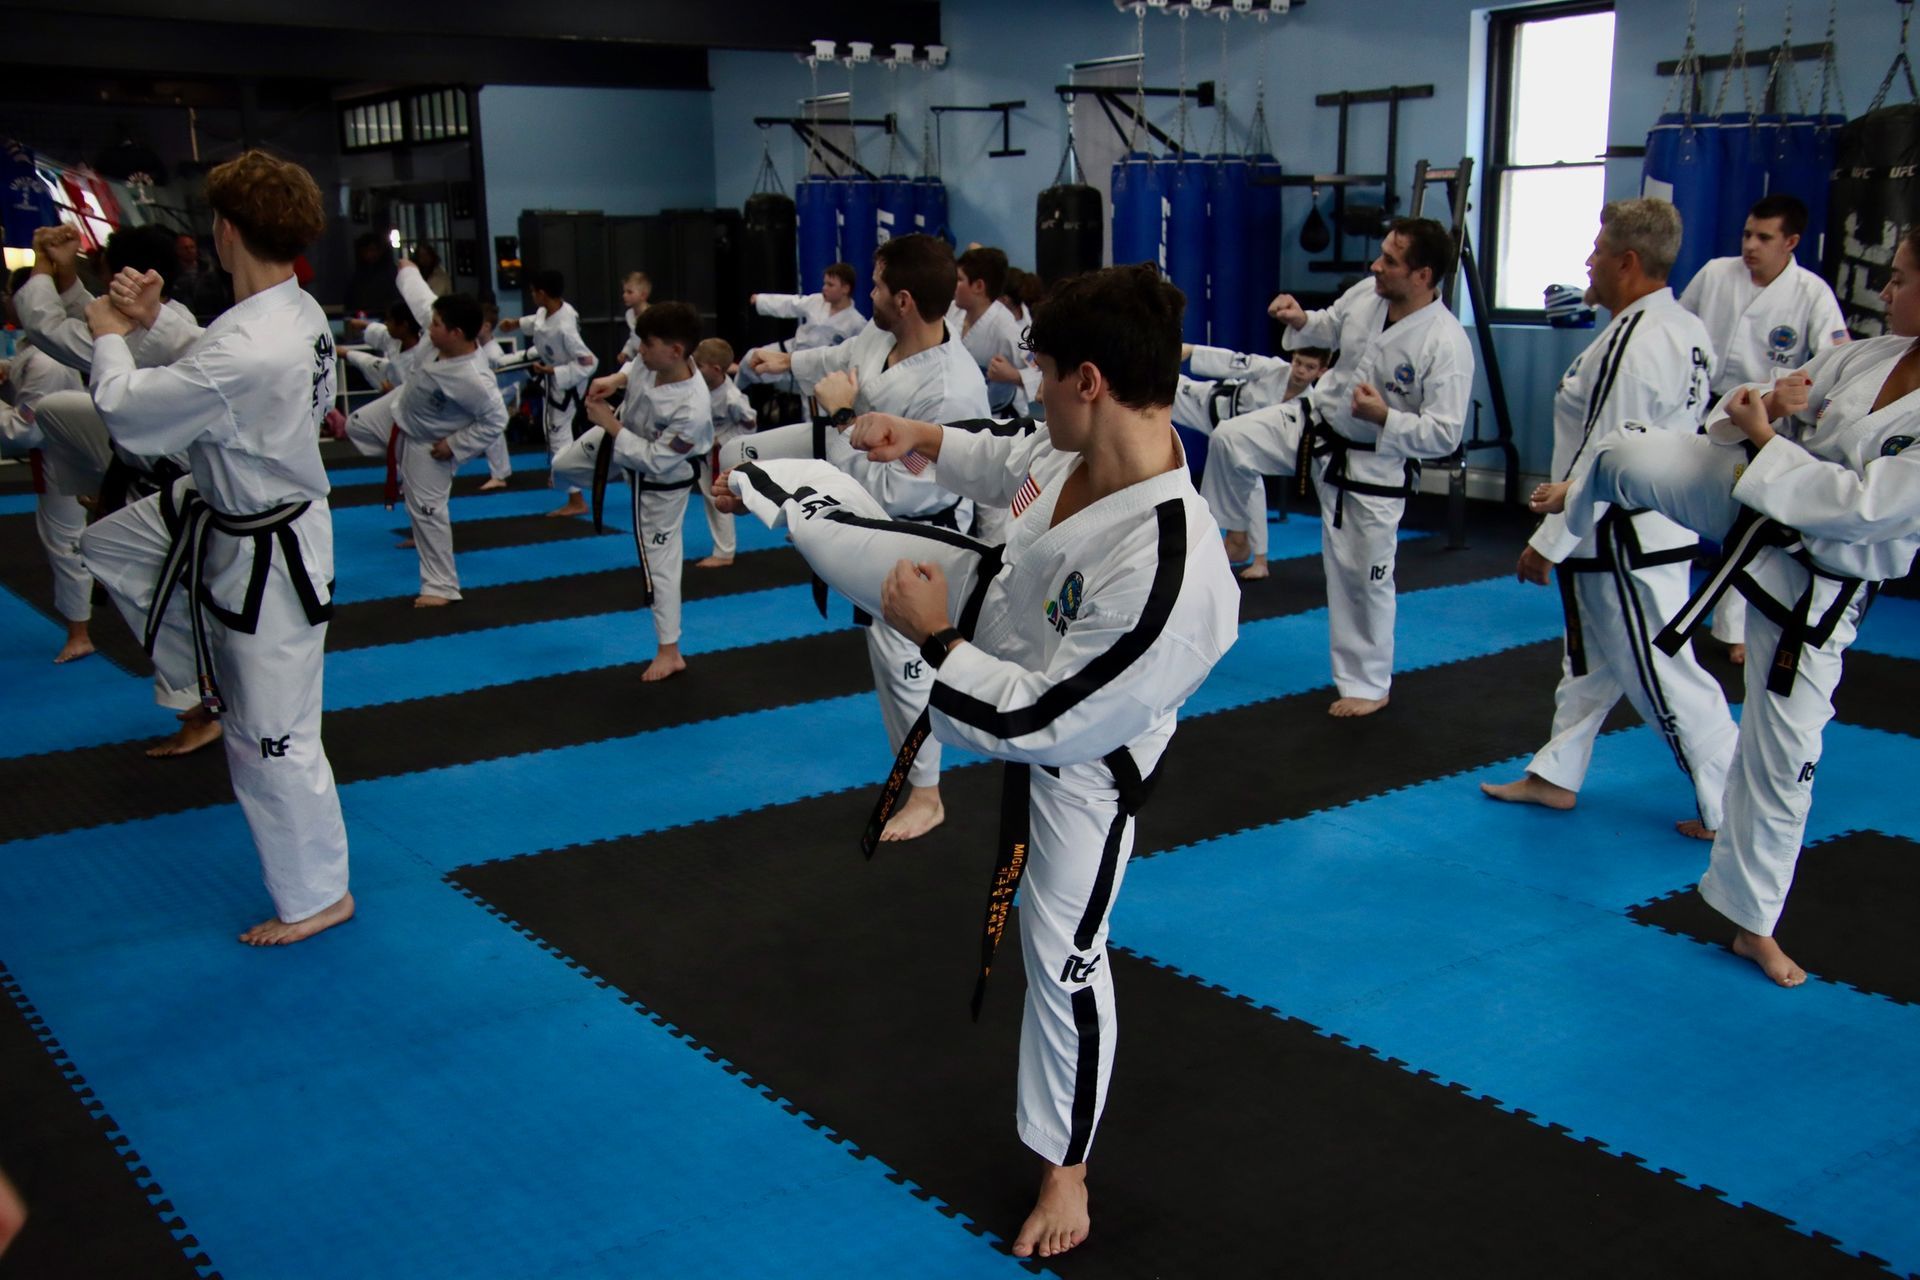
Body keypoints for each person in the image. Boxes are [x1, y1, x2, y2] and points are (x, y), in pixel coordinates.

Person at [713, 262, 1239, 1262]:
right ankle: (759, 482)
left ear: (1089, 377)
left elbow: (1049, 719)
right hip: (999, 608)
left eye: (1040, 370)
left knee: (1064, 947)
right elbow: (1013, 464)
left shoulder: (1172, 575)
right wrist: (917, 439)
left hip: (1084, 749)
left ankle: (1066, 1163)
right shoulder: (1080, 439)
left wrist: (936, 642)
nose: (1027, 384)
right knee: (839, 539)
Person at [1528, 225, 1920, 987]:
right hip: (1755, 502)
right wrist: (1766, 401)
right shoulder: (1870, 354)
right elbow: (1728, 419)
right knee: (1625, 453)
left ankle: (1752, 925)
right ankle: (1573, 504)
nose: (1885, 290)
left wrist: (1769, 435)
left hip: (1818, 585)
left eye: (1900, 277)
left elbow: (1866, 506)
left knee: (1784, 761)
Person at [82, 148, 352, 946]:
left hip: (271, 552)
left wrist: (107, 336)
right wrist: (153, 318)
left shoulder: (257, 344)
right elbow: (212, 363)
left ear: (224, 229)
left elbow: (132, 414)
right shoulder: (293, 311)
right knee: (120, 546)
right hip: (250, 523)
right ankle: (186, 676)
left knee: (276, 737)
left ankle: (316, 896)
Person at [1482, 198, 1739, 840]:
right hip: (1652, 524)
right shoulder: (1686, 328)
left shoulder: (1635, 337)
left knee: (1662, 676)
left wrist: (1549, 542)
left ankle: (1735, 810)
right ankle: (1556, 775)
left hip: (1619, 531)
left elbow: (1605, 451)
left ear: (1627, 261)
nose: (1588, 264)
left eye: (1596, 252)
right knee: (1591, 663)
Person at [740, 233, 991, 841]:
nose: (867, 292)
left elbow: (907, 494)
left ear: (903, 299)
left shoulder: (953, 389)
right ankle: (744, 493)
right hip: (848, 474)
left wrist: (841, 418)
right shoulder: (883, 335)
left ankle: (926, 795)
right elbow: (844, 354)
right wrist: (786, 364)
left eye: (876, 285)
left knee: (902, 660)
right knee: (736, 456)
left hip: (911, 530)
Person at [1200, 218, 1475, 715]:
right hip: (1313, 422)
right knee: (1229, 440)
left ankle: (1369, 685)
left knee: (1361, 581)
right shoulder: (1367, 296)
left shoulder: (1445, 344)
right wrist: (1301, 318)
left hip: (1372, 467)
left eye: (1390, 260)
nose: (1377, 265)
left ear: (1422, 275)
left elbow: (1444, 434)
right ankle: (1238, 532)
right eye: (1382, 253)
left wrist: (1385, 417)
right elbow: (1329, 324)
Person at [17, 223, 214, 755]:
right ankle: (209, 702)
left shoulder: (134, 329)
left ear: (119, 273)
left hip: (167, 488)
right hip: (160, 474)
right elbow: (88, 317)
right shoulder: (168, 316)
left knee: (162, 597)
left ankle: (201, 710)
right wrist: (63, 273)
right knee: (60, 411)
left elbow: (44, 326)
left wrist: (42, 266)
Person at [1679, 193, 1852, 665]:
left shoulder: (1811, 292)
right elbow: (1681, 329)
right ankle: (1664, 595)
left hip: (1765, 417)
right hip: (1705, 407)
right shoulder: (1716, 273)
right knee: (1678, 501)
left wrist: (1788, 400)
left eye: (1764, 237)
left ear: (1791, 242)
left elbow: (1834, 363)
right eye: (1747, 234)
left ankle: (1735, 630)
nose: (1750, 245)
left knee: (1750, 519)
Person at [557, 302, 712, 682]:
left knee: (659, 562)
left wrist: (609, 423)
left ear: (675, 351)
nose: (639, 350)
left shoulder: (692, 409)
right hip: (623, 436)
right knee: (562, 466)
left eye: (648, 344)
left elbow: (656, 461)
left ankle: (669, 650)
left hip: (662, 481)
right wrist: (615, 380)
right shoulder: (649, 360)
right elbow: (633, 368)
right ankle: (577, 493)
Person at [349, 262, 508, 606]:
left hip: (430, 441)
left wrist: (455, 444)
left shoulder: (474, 380)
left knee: (427, 511)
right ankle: (402, 465)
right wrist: (406, 266)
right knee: (354, 425)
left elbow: (495, 421)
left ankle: (441, 587)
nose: (429, 328)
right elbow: (416, 291)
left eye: (436, 326)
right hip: (399, 408)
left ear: (456, 333)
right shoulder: (437, 323)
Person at [1175, 341, 1331, 580]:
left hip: (1238, 445)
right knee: (1156, 388)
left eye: (1309, 367)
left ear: (1321, 371)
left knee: (1249, 480)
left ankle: (1257, 558)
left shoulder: (1305, 408)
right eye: (1298, 362)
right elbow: (1233, 362)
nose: (1300, 370)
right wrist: (1191, 351)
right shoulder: (1273, 369)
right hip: (1209, 404)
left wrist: (1261, 560)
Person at [1, 267, 92, 661]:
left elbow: (27, 429)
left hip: (63, 455)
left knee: (66, 540)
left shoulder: (46, 360)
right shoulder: (34, 350)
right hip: (65, 450)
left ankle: (81, 633)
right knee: (67, 537)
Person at [499, 269, 598, 516]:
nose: (532, 295)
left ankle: (575, 496)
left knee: (558, 436)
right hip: (547, 365)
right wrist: (516, 324)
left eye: (533, 292)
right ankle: (564, 479)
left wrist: (554, 371)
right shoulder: (551, 310)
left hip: (567, 383)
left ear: (542, 294)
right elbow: (538, 321)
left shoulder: (566, 326)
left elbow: (589, 362)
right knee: (500, 366)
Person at [736, 262, 867, 405]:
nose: (824, 288)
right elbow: (791, 303)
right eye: (824, 283)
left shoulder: (856, 322)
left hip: (818, 371)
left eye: (830, 285)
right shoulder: (816, 301)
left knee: (815, 416)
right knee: (750, 360)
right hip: (790, 351)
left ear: (845, 289)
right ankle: (733, 393)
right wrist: (762, 300)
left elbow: (857, 356)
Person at [691, 336, 755, 568]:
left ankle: (724, 552)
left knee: (719, 497)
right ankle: (723, 548)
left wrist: (724, 441)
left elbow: (750, 423)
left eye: (699, 366)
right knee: (711, 497)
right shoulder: (700, 385)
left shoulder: (732, 398)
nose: (694, 369)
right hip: (702, 448)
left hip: (721, 451)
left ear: (716, 369)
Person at [950, 246, 1030, 416]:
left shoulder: (1007, 329)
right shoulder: (952, 311)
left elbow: (1043, 373)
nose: (953, 285)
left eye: (959, 279)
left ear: (978, 286)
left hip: (999, 418)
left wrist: (1013, 375)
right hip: (960, 407)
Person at [618, 270, 652, 363]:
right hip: (638, 358)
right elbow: (633, 336)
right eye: (624, 291)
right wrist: (626, 352)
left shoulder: (652, 315)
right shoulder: (629, 314)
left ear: (643, 295)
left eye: (629, 292)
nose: (624, 295)